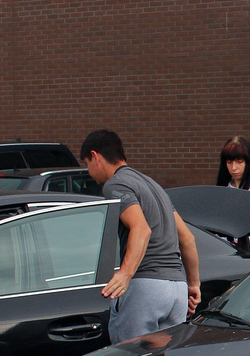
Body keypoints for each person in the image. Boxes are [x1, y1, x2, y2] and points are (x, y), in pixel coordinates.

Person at [81, 130, 201, 344]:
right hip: (176, 291)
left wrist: (125, 275)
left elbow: (141, 229)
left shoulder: (116, 184)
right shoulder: (153, 185)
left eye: (87, 164)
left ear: (96, 156)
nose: (89, 172)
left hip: (146, 288)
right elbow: (188, 238)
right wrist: (193, 285)